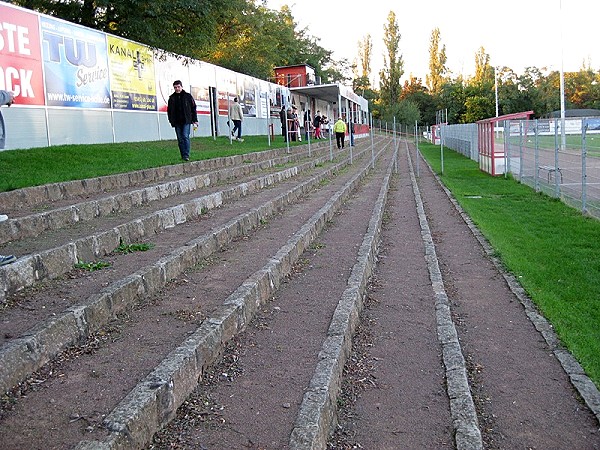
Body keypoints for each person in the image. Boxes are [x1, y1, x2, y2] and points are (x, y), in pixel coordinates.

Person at [167, 80, 198, 161]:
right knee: (180, 139)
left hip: (186, 120)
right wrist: (171, 120)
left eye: (178, 87)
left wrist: (195, 120)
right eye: (175, 87)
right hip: (177, 121)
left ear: (181, 87)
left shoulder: (187, 96)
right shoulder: (172, 98)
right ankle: (183, 155)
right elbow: (169, 111)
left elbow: (193, 108)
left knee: (185, 136)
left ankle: (186, 155)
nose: (177, 89)